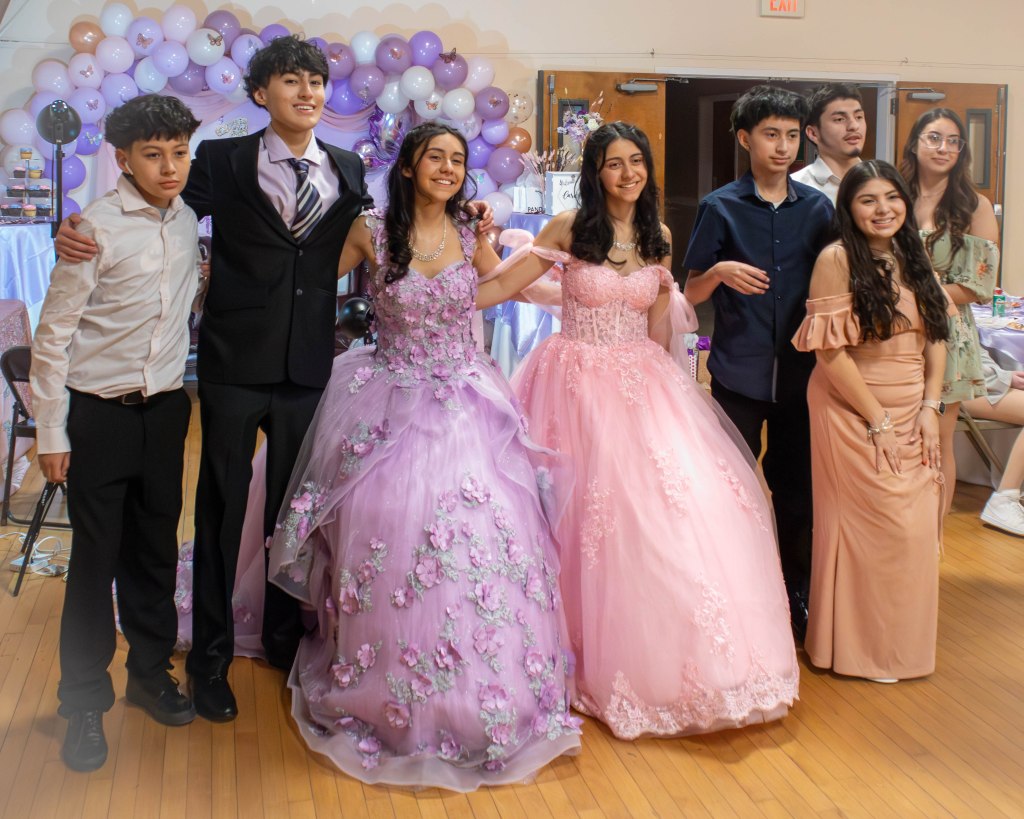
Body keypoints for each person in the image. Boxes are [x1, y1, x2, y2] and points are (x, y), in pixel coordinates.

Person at [55, 37, 375, 723]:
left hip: (307, 369)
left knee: (293, 518)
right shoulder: (221, 161)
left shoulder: (347, 168)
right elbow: (155, 207)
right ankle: (209, 660)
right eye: (291, 81)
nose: (308, 93)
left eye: (316, 81)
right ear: (261, 93)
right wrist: (73, 225)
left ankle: (285, 640)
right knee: (221, 517)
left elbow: (377, 236)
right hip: (232, 367)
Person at [265, 122, 581, 788]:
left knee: (483, 530)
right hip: (387, 393)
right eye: (434, 157)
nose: (447, 167)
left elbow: (490, 290)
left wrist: (548, 251)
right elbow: (308, 279)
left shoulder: (470, 229)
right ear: (407, 167)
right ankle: (382, 673)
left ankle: (483, 683)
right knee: (391, 523)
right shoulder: (370, 230)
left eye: (457, 159)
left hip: (467, 400)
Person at [502, 121, 798, 739]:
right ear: (596, 171)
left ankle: (686, 660)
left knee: (672, 510)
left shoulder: (657, 234)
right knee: (580, 515)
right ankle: (573, 650)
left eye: (636, 162)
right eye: (614, 163)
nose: (628, 173)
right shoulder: (567, 227)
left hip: (642, 381)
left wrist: (676, 394)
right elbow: (514, 285)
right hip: (572, 381)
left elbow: (662, 322)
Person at [31, 94, 203, 771]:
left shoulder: (187, 219)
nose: (170, 167)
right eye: (153, 155)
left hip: (165, 411)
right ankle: (82, 701)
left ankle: (150, 673)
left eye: (179, 153)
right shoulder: (93, 228)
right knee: (93, 562)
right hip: (97, 414)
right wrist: (51, 431)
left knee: (155, 552)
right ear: (123, 158)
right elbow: (53, 335)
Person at [682, 86, 834, 640]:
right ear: (746, 139)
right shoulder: (719, 206)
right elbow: (690, 293)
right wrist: (719, 272)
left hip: (802, 376)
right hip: (737, 374)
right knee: (731, 493)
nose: (783, 146)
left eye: (792, 135)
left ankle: (797, 599)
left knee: (798, 495)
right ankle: (736, 601)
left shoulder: (818, 209)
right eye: (771, 134)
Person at [793, 160, 951, 682]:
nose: (883, 209)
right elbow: (829, 353)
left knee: (914, 528)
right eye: (868, 200)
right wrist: (878, 421)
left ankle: (899, 646)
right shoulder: (837, 258)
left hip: (913, 405)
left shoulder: (914, 253)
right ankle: (858, 650)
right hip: (851, 404)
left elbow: (937, 335)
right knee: (877, 528)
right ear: (849, 209)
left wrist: (930, 407)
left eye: (891, 197)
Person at [900, 108, 1001, 513]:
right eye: (934, 137)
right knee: (898, 435)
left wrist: (918, 293)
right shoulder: (895, 194)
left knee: (937, 441)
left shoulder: (974, 205)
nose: (944, 148)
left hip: (947, 330)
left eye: (953, 141)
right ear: (915, 143)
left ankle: (934, 535)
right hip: (896, 329)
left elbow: (980, 286)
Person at [963, 348, 1024, 535]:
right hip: (958, 388)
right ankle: (1004, 498)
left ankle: (1006, 498)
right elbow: (957, 364)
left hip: (978, 382)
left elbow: (972, 352)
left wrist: (1001, 376)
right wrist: (1002, 377)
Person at [791, 83, 866, 203]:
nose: (854, 126)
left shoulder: (882, 182)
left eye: (858, 117)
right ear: (813, 133)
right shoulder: (794, 188)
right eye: (839, 119)